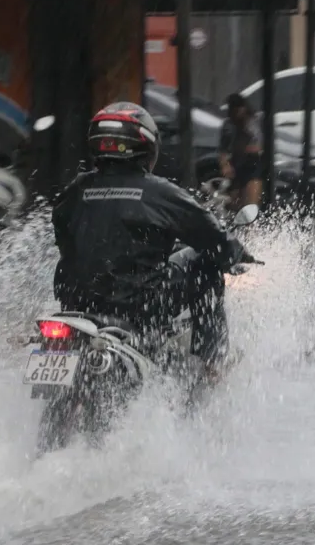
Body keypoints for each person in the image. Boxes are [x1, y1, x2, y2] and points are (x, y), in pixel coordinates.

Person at [51, 101, 250, 377]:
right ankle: (212, 364)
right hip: (141, 305)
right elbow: (210, 234)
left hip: (78, 304)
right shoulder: (158, 192)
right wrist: (235, 254)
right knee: (205, 260)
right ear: (147, 146)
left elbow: (63, 237)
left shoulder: (75, 190)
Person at [219, 93, 264, 210]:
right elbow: (223, 149)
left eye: (238, 110)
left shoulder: (254, 122)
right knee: (236, 204)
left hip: (252, 165)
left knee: (250, 204)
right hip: (237, 164)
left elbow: (262, 143)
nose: (237, 114)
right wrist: (225, 165)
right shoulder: (229, 125)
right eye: (233, 111)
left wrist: (254, 148)